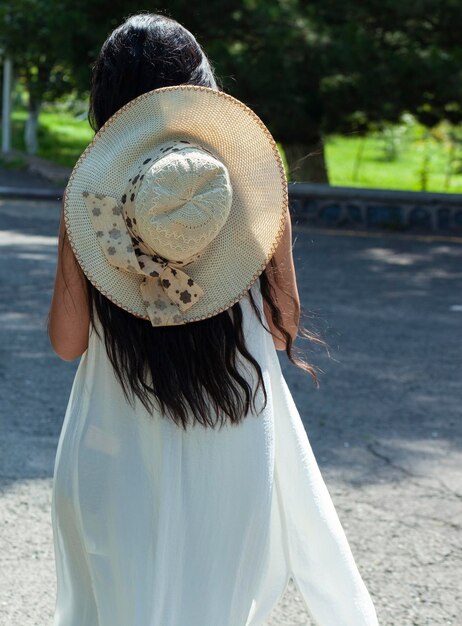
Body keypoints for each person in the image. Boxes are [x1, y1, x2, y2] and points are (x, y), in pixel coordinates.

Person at [47, 13, 379, 626]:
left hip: (114, 441)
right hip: (230, 433)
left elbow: (68, 344)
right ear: (201, 88)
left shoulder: (89, 195)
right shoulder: (251, 179)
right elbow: (282, 329)